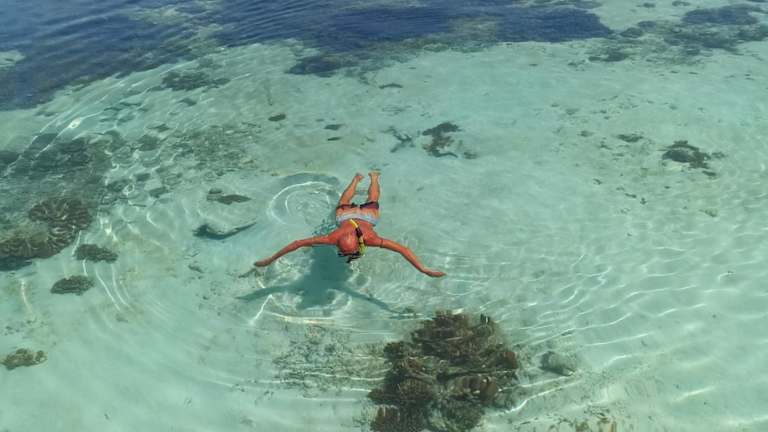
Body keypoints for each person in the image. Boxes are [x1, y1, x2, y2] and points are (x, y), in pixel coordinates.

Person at [254, 172, 446, 277]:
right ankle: (373, 177)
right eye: (347, 252)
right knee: (369, 198)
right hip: (356, 217)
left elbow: (297, 243)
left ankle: (357, 179)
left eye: (345, 252)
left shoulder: (334, 238)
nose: (346, 253)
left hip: (358, 217)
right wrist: (422, 268)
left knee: (355, 199)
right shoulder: (365, 239)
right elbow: (402, 249)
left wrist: (271, 259)